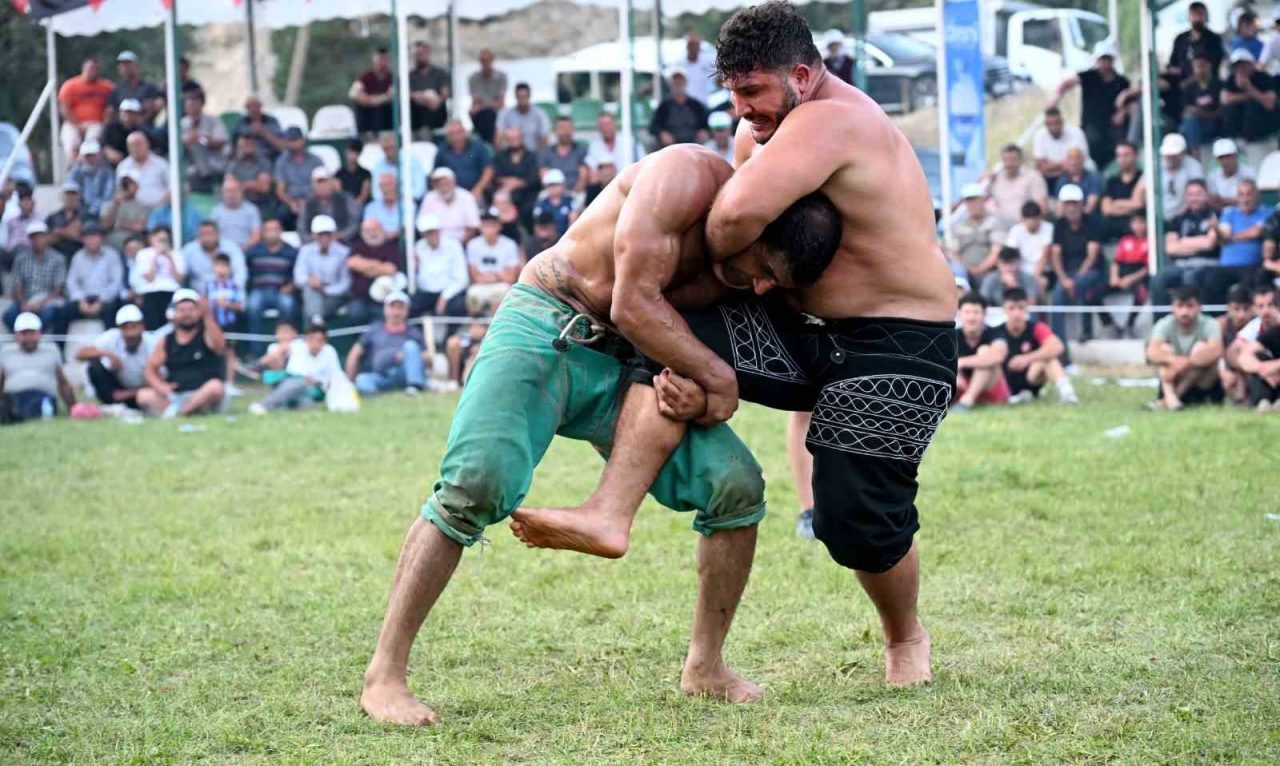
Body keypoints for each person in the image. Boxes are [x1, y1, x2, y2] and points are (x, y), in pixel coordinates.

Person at [508, 2, 957, 690]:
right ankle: (608, 510)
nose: (743, 111)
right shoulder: (762, 135)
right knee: (656, 328)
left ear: (802, 75)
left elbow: (737, 215)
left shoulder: (836, 119)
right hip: (798, 327)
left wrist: (720, 269)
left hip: (897, 340)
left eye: (755, 92)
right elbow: (735, 215)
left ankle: (905, 636)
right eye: (735, 94)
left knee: (853, 520)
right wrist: (700, 366)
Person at [358, 143, 844, 727]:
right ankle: (384, 675)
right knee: (474, 485)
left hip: (627, 368)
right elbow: (635, 303)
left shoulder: (750, 272)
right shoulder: (681, 177)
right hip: (545, 321)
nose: (762, 289)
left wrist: (698, 391)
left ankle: (706, 666)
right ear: (749, 225)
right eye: (765, 270)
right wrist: (717, 380)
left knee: (735, 485)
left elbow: (687, 355)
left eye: (775, 283)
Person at [137, 290, 227, 418]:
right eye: (181, 310)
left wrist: (207, 315)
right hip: (176, 395)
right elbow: (150, 369)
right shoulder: (166, 340)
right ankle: (184, 411)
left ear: (198, 311)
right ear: (174, 313)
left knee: (215, 387)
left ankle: (182, 413)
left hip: (203, 393)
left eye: (191, 309)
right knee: (143, 395)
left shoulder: (207, 333)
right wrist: (161, 386)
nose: (186, 314)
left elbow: (219, 346)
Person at [1049, 41, 1129, 170]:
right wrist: (1055, 100)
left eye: (1107, 59)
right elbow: (1066, 84)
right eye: (1102, 59)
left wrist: (1122, 111)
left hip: (1112, 128)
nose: (1104, 63)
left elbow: (1129, 101)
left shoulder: (1122, 82)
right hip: (1090, 126)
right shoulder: (1088, 77)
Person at [1146, 286, 1223, 410]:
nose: (1184, 312)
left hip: (1201, 381)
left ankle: (1170, 400)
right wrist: (1173, 360)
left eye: (1190, 306)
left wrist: (1189, 362)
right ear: (1173, 307)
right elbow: (1152, 351)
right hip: (1173, 375)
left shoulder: (1210, 324)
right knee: (1165, 350)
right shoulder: (1164, 324)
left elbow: (1216, 350)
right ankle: (1172, 398)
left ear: (1199, 307)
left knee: (1201, 349)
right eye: (1180, 306)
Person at [1047, 184, 1106, 344]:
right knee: (1057, 296)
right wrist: (1064, 279)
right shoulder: (1059, 225)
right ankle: (1058, 344)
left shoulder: (1092, 222)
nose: (1071, 208)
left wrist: (1076, 280)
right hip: (1068, 272)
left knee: (1081, 285)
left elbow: (1092, 256)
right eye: (1068, 204)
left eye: (1075, 203)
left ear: (1082, 204)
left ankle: (1086, 331)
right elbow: (1055, 255)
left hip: (1092, 270)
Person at [999, 289, 1077, 405]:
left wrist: (1027, 359)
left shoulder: (1036, 328)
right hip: (1005, 380)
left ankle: (1068, 394)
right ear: (1004, 310)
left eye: (1020, 308)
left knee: (1049, 358)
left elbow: (1057, 346)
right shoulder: (997, 331)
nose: (1016, 314)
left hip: (1032, 376)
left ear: (1027, 309)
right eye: (1011, 308)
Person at [1152, 180, 1219, 313]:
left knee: (1190, 278)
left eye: (1198, 194)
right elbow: (1170, 248)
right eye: (1190, 194)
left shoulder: (1216, 215)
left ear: (1206, 195)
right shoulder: (1178, 219)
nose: (1194, 198)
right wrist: (1199, 242)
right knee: (1158, 280)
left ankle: (1193, 322)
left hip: (1207, 264)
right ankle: (1162, 324)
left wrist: (1182, 241)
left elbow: (1209, 244)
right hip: (1180, 265)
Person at [344, 291, 427, 396]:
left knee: (410, 346)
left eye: (400, 307)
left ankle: (414, 387)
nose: (396, 312)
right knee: (362, 380)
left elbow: (428, 358)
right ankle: (378, 395)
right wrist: (348, 382)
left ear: (406, 310)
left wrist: (409, 355)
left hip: (403, 373)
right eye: (393, 307)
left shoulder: (414, 332)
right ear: (385, 309)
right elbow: (355, 352)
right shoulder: (374, 330)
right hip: (380, 376)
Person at [249, 320, 341, 414]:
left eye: (319, 340)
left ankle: (263, 405)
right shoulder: (299, 347)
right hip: (295, 383)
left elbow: (334, 376)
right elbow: (292, 371)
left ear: (324, 341)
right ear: (307, 339)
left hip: (317, 389)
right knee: (289, 382)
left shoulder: (330, 351)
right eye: (311, 339)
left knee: (298, 384)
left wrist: (318, 381)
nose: (315, 344)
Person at [76, 303, 154, 408]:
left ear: (142, 326)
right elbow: (80, 354)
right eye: (125, 327)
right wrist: (107, 354)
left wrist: (131, 393)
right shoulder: (111, 337)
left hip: (142, 390)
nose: (130, 332)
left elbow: (158, 375)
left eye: (134, 326)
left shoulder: (152, 343)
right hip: (116, 388)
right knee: (94, 366)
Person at [0, 312, 75, 422]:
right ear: (16, 335)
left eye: (32, 333)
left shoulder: (51, 350)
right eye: (24, 333)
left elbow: (62, 382)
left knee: (33, 408)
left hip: (43, 397)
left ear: (39, 333)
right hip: (14, 397)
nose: (29, 337)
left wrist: (72, 408)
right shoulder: (6, 352)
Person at [1205, 179, 1268, 304]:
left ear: (1257, 195)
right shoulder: (1230, 213)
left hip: (1251, 265)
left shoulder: (1266, 212)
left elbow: (1256, 232)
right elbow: (1224, 234)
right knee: (1211, 280)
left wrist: (1231, 238)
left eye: (1249, 194)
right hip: (1226, 266)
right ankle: (1218, 317)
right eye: (1241, 194)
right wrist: (1216, 229)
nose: (1245, 199)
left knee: (1251, 280)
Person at [244, 217, 299, 352]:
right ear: (263, 233)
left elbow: (299, 273)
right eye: (268, 230)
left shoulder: (291, 252)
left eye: (275, 229)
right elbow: (244, 271)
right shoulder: (254, 251)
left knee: (288, 305)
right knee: (252, 306)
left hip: (282, 290)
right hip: (259, 290)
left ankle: (286, 349)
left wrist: (291, 286)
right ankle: (256, 352)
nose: (271, 233)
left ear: (281, 231)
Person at [1221, 49, 1279, 169]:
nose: (1241, 69)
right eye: (1237, 66)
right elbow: (1225, 99)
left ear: (1251, 64)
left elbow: (1269, 103)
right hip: (1239, 132)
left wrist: (1250, 89)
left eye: (1244, 65)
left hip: (1263, 134)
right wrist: (1249, 96)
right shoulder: (1231, 80)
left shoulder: (1264, 78)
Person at [5, 223, 67, 334]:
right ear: (29, 239)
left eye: (40, 236)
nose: (37, 240)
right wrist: (23, 303)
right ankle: (21, 341)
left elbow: (58, 289)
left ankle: (35, 341)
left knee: (50, 314)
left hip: (48, 300)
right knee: (9, 316)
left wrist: (41, 303)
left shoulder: (58, 259)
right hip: (26, 300)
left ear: (47, 237)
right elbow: (17, 285)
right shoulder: (21, 259)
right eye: (33, 237)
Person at [952, 293, 1009, 411]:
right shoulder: (952, 335)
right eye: (967, 312)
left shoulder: (995, 332)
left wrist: (961, 362)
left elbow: (998, 356)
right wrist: (954, 373)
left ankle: (967, 400)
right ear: (959, 314)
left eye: (976, 312)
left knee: (985, 351)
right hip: (961, 387)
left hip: (991, 388)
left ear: (984, 314)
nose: (971, 317)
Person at [411, 214, 469, 326]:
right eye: (427, 233)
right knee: (411, 306)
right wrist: (415, 268)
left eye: (433, 231)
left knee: (457, 307)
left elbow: (461, 279)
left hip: (449, 291)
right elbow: (419, 278)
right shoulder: (418, 247)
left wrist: (444, 297)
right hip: (426, 292)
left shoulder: (453, 246)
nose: (431, 235)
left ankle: (448, 339)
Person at [64, 222, 124, 328]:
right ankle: (59, 344)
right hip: (83, 298)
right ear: (83, 240)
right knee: (63, 311)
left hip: (105, 298)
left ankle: (109, 343)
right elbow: (71, 282)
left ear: (102, 239)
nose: (92, 240)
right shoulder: (78, 257)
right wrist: (80, 300)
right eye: (88, 237)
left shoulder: (112, 255)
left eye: (95, 237)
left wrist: (101, 301)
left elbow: (116, 282)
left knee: (114, 309)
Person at [463, 209, 521, 317]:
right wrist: (499, 274)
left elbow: (511, 278)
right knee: (472, 294)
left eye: (492, 225)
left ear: (499, 226)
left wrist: (494, 276)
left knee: (504, 291)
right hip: (481, 286)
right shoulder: (473, 245)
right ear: (480, 227)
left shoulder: (510, 245)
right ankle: (477, 326)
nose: (489, 229)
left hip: (502, 285)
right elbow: (475, 277)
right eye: (486, 225)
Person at [57, 56, 113, 165]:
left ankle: (85, 167)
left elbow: (110, 108)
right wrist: (77, 125)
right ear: (83, 68)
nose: (91, 71)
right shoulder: (70, 85)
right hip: (73, 123)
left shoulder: (107, 87)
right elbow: (64, 108)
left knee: (92, 140)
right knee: (70, 141)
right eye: (89, 68)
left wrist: (105, 122)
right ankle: (74, 167)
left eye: (94, 69)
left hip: (96, 123)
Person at [294, 215, 351, 321]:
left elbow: (345, 283)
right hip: (312, 290)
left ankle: (315, 323)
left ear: (333, 235)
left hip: (335, 294)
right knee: (310, 293)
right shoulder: (305, 251)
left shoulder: (343, 252)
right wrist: (309, 280)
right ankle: (317, 322)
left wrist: (325, 289)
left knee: (310, 307)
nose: (324, 238)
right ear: (314, 236)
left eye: (327, 234)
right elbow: (298, 276)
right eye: (321, 235)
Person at [346, 219, 400, 324]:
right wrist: (380, 266)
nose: (372, 233)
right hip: (360, 297)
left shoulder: (391, 246)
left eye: (375, 229)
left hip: (384, 299)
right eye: (367, 230)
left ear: (381, 229)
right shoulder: (357, 246)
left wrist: (364, 266)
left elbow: (390, 270)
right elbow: (352, 263)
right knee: (355, 312)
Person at [986, 144, 1049, 232]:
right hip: (1001, 227)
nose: (1009, 164)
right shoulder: (996, 178)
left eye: (1013, 160)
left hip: (1025, 228)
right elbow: (982, 199)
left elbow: (1042, 206)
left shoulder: (1033, 177)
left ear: (1020, 160)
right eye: (1006, 160)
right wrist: (986, 180)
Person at [1235, 289, 1280, 410]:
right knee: (1259, 357)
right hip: (1272, 379)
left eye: (1270, 305)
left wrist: (1275, 366)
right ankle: (1263, 401)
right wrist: (1262, 368)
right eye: (1261, 306)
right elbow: (1243, 356)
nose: (1267, 311)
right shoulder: (1271, 333)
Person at [131, 227, 184, 330]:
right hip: (151, 294)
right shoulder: (144, 254)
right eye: (159, 239)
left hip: (171, 292)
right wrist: (156, 255)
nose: (162, 242)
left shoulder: (176, 254)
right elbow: (149, 278)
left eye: (164, 239)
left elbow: (180, 279)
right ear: (151, 239)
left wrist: (169, 258)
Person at [1109, 211, 1151, 337]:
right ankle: (1109, 324)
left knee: (1141, 294)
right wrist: (1114, 277)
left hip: (1138, 275)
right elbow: (1116, 262)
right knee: (1091, 294)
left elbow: (1148, 267)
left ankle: (1130, 324)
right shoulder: (1125, 240)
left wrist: (1131, 279)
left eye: (1141, 222)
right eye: (1135, 223)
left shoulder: (1151, 241)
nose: (1138, 226)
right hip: (1122, 272)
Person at [273, 127, 325, 230]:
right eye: (290, 141)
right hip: (291, 201)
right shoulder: (282, 162)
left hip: (313, 200)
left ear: (303, 140)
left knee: (322, 210)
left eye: (295, 140)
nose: (293, 144)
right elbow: (280, 191)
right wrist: (291, 203)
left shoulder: (315, 160)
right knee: (281, 214)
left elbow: (322, 186)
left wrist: (307, 202)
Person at [1032, 107, 1090, 193]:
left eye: (1056, 123)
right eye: (1050, 124)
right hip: (1051, 175)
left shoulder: (1076, 132)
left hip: (1077, 171)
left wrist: (1052, 166)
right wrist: (1063, 165)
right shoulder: (1039, 135)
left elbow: (1079, 162)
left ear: (1062, 122)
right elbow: (1040, 166)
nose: (1053, 127)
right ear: (1045, 125)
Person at [179, 90, 228, 192]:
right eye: (188, 106)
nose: (191, 108)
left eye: (194, 104)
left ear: (201, 104)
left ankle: (205, 177)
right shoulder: (183, 123)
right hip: (192, 165)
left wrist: (201, 138)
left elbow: (220, 142)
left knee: (196, 144)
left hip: (215, 161)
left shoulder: (213, 120)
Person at [950, 183, 1000, 282]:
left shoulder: (994, 222)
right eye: (968, 201)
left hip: (989, 270)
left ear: (982, 200)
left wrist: (980, 269)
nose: (972, 204)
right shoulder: (958, 226)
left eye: (975, 200)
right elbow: (953, 253)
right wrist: (965, 268)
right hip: (964, 271)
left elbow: (996, 251)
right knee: (956, 272)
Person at [182, 220, 247, 295]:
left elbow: (240, 273)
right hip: (198, 295)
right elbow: (182, 274)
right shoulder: (189, 250)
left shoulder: (231, 248)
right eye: (203, 234)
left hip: (226, 292)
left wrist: (234, 292)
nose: (206, 238)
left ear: (218, 234)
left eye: (209, 234)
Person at [417, 167, 480, 243]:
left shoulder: (466, 197)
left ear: (454, 182)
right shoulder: (429, 198)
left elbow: (472, 227)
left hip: (462, 243)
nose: (443, 184)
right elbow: (423, 226)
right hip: (435, 243)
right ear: (434, 185)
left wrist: (457, 245)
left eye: (446, 181)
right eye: (439, 182)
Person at [1167, 2, 1226, 82]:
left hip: (1208, 83)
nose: (1198, 18)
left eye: (1201, 14)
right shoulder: (1180, 39)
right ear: (1189, 17)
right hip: (1182, 84)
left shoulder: (1214, 39)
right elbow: (1172, 64)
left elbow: (1217, 63)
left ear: (1206, 17)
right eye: (1194, 15)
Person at [434, 120, 494, 199]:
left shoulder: (479, 147)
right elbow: (437, 175)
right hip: (450, 194)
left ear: (465, 132)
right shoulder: (442, 151)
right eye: (452, 133)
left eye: (459, 132)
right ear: (447, 136)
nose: (456, 136)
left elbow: (488, 171)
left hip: (477, 192)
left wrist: (478, 190)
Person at [1100, 141, 1146, 242]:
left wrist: (1117, 203)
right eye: (1119, 155)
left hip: (1136, 227)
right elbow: (1107, 209)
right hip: (1114, 226)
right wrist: (1130, 206)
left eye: (1126, 155)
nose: (1122, 159)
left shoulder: (1142, 179)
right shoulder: (1112, 181)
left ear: (1135, 156)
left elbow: (1139, 205)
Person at [492, 126, 541, 221]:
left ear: (522, 138)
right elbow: (495, 176)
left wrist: (518, 183)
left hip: (526, 194)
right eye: (511, 139)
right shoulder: (500, 156)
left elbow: (534, 178)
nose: (514, 141)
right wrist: (508, 183)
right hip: (504, 191)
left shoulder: (532, 156)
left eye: (516, 138)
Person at [650, 71, 709, 148]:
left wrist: (704, 131)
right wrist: (662, 133)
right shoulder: (664, 106)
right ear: (670, 85)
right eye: (675, 83)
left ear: (685, 83)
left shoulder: (696, 105)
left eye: (680, 82)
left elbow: (706, 123)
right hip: (671, 147)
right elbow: (653, 126)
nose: (678, 86)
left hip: (694, 145)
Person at [1179, 51, 1222, 154]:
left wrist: (1200, 113)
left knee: (1186, 127)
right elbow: (1185, 111)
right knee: (1187, 124)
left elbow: (1221, 112)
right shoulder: (1190, 87)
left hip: (1213, 124)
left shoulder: (1219, 85)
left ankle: (1194, 151)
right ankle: (1195, 150)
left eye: (1202, 66)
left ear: (1209, 66)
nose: (1200, 70)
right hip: (1195, 125)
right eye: (1197, 67)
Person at [1218, 284, 1255, 403]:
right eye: (1237, 309)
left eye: (1246, 309)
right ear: (1229, 308)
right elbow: (1217, 353)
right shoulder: (1222, 324)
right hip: (1226, 367)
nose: (1242, 315)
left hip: (1250, 366)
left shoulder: (1256, 324)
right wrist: (1223, 371)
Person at [226, 133, 277, 218]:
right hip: (240, 203)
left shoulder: (264, 163)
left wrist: (241, 185)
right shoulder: (232, 165)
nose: (247, 148)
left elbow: (264, 188)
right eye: (244, 145)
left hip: (261, 203)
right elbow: (231, 188)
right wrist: (254, 184)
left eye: (250, 145)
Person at [302, 167, 358, 244]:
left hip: (342, 243)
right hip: (315, 245)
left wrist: (340, 236)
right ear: (313, 185)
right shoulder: (308, 203)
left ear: (332, 182)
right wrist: (316, 239)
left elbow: (354, 223)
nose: (322, 186)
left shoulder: (345, 199)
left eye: (325, 182)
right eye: (319, 182)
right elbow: (302, 228)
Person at [115, 131, 170, 208]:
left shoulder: (161, 164)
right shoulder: (123, 166)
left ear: (147, 144)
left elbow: (172, 187)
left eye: (139, 144)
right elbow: (120, 191)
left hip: (159, 209)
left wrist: (163, 205)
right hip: (133, 212)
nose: (136, 148)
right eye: (132, 145)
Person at [1003, 201, 1053, 284]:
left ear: (1040, 217)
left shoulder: (1049, 228)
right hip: (1021, 271)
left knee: (1042, 282)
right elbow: (1010, 254)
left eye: (1034, 218)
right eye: (1028, 218)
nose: (1031, 222)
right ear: (1023, 218)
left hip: (1043, 271)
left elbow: (1046, 253)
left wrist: (1036, 275)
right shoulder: (1016, 230)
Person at [371, 131, 428, 205]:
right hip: (386, 205)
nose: (389, 152)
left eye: (392, 147)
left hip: (411, 204)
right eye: (386, 148)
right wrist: (389, 198)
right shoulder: (378, 166)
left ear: (398, 146)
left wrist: (399, 196)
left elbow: (420, 190)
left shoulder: (413, 161)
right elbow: (376, 194)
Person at [1157, 133, 1205, 220]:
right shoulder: (1156, 166)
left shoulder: (1193, 167)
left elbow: (1196, 194)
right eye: (1168, 155)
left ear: (1183, 153)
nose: (1171, 157)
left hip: (1183, 217)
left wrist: (1178, 218)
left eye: (1174, 155)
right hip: (1159, 218)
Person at [101, 99, 162, 166]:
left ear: (137, 115)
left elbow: (155, 147)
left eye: (131, 113)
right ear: (120, 112)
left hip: (135, 166)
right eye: (126, 112)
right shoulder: (111, 128)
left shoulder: (142, 131)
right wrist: (109, 151)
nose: (128, 115)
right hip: (111, 165)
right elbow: (102, 143)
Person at [100, 172, 150, 253]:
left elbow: (138, 227)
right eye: (124, 184)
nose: (127, 187)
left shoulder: (142, 206)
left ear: (136, 186)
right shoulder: (110, 205)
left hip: (132, 241)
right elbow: (105, 225)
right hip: (111, 242)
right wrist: (116, 204)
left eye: (130, 184)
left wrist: (119, 222)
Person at [409, 42, 450, 139]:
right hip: (417, 114)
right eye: (417, 54)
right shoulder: (410, 76)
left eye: (422, 54)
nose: (420, 57)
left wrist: (435, 100)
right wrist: (418, 96)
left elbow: (444, 93)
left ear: (428, 54)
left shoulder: (440, 73)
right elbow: (407, 94)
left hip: (436, 112)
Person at [351, 48, 395, 137]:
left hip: (386, 119)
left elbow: (394, 95)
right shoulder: (365, 76)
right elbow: (354, 94)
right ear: (374, 60)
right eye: (380, 59)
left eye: (385, 60)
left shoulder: (392, 78)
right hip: (367, 117)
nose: (382, 63)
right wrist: (378, 99)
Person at [539, 116, 589, 195]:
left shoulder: (581, 150)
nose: (565, 131)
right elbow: (544, 177)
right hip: (552, 194)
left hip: (576, 193)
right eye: (561, 127)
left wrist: (571, 195)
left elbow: (584, 176)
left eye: (568, 127)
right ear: (555, 130)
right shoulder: (547, 152)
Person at [107, 51, 162, 123]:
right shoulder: (117, 90)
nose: (124, 68)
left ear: (136, 66)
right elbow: (112, 111)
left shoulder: (149, 88)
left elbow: (151, 110)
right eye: (122, 65)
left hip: (145, 127)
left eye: (128, 64)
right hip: (122, 128)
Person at [468, 49, 507, 145]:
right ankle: (492, 142)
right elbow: (475, 102)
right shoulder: (473, 78)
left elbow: (500, 102)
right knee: (482, 115)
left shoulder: (501, 77)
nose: (484, 63)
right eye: (482, 61)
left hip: (495, 113)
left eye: (487, 60)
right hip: (482, 114)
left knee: (489, 115)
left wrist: (484, 105)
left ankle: (489, 142)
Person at [497, 83, 551, 152]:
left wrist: (538, 156)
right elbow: (499, 137)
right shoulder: (505, 114)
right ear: (516, 97)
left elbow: (544, 137)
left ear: (529, 96)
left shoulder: (540, 114)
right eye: (520, 97)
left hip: (533, 155)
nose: (522, 100)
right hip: (510, 156)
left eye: (524, 97)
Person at [68, 140, 114, 218]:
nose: (90, 158)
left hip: (100, 212)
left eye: (93, 155)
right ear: (81, 156)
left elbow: (108, 195)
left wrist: (96, 208)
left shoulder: (107, 172)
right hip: (79, 211)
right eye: (87, 155)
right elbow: (70, 190)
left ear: (99, 155)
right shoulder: (76, 171)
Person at [1207, 138, 1256, 210]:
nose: (1225, 161)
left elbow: (1252, 200)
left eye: (1228, 156)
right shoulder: (1213, 176)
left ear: (1236, 156)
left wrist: (1224, 201)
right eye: (1222, 158)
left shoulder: (1249, 173)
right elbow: (1213, 201)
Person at [231, 96, 285, 160]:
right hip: (246, 158)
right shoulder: (241, 123)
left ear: (261, 107)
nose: (254, 109)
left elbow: (282, 146)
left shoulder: (272, 121)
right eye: (250, 107)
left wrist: (264, 133)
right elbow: (234, 143)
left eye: (256, 106)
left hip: (269, 156)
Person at [46, 181, 91, 259]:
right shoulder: (53, 217)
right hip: (57, 257)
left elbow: (90, 238)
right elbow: (46, 240)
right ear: (62, 196)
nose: (70, 197)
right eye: (67, 194)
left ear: (79, 196)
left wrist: (60, 232)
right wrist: (69, 232)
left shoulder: (86, 216)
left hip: (81, 256)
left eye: (73, 194)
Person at [531, 170, 574, 237]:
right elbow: (537, 224)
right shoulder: (541, 204)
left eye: (557, 185)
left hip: (566, 237)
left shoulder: (570, 201)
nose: (554, 188)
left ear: (563, 185)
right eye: (551, 185)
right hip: (546, 239)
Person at [680, 30, 718, 103]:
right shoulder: (680, 66)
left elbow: (716, 81)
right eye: (691, 45)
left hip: (702, 104)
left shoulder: (706, 64)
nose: (693, 48)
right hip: (686, 105)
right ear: (687, 47)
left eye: (696, 45)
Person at [363, 173, 403, 237]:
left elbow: (406, 228)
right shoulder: (371, 207)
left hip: (400, 242)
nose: (387, 188)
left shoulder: (408, 206)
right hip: (377, 243)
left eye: (390, 184)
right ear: (380, 187)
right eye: (383, 185)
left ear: (397, 185)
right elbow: (368, 229)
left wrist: (389, 235)